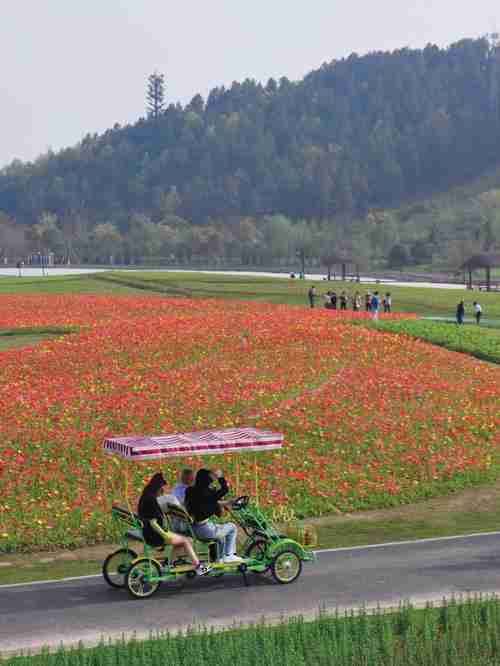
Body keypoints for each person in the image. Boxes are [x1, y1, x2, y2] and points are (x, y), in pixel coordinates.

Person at [138, 472, 210, 575]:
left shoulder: (145, 497)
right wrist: (165, 535)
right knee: (186, 541)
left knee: (179, 540)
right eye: (162, 488)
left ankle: (168, 563)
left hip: (147, 532)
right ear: (158, 487)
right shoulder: (151, 501)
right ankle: (198, 567)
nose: (163, 491)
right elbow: (153, 522)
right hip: (155, 534)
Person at [185, 468, 242, 564]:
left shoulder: (190, 490)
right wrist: (220, 477)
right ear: (207, 480)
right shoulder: (206, 492)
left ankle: (219, 558)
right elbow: (224, 489)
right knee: (232, 527)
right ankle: (229, 555)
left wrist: (228, 502)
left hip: (194, 529)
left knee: (221, 533)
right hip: (206, 531)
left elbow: (206, 503)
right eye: (210, 479)